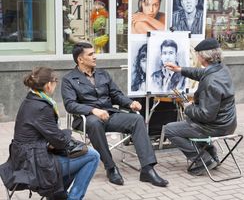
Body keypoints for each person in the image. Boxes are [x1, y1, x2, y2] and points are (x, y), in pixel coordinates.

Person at [61, 42, 169, 187]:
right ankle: (110, 167)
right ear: (80, 59)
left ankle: (147, 169)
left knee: (136, 119)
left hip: (109, 115)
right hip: (87, 119)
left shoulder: (103, 74)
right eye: (91, 54)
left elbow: (116, 95)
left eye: (94, 53)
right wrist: (93, 110)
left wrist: (130, 103)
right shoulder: (69, 79)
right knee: (94, 122)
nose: (95, 57)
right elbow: (70, 104)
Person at [0, 67, 100, 200]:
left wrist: (58, 140)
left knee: (75, 152)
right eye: (55, 81)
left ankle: (57, 194)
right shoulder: (41, 107)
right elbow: (59, 141)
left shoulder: (31, 99)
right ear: (48, 85)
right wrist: (67, 134)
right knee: (92, 156)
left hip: (24, 159)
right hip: (35, 166)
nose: (56, 84)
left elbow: (51, 137)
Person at [164, 38, 237, 175]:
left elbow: (206, 115)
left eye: (197, 54)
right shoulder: (221, 69)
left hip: (214, 127)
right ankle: (212, 155)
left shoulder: (211, 82)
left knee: (170, 129)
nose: (196, 57)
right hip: (227, 123)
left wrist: (188, 107)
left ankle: (203, 159)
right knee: (190, 124)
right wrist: (180, 70)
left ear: (203, 56)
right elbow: (202, 73)